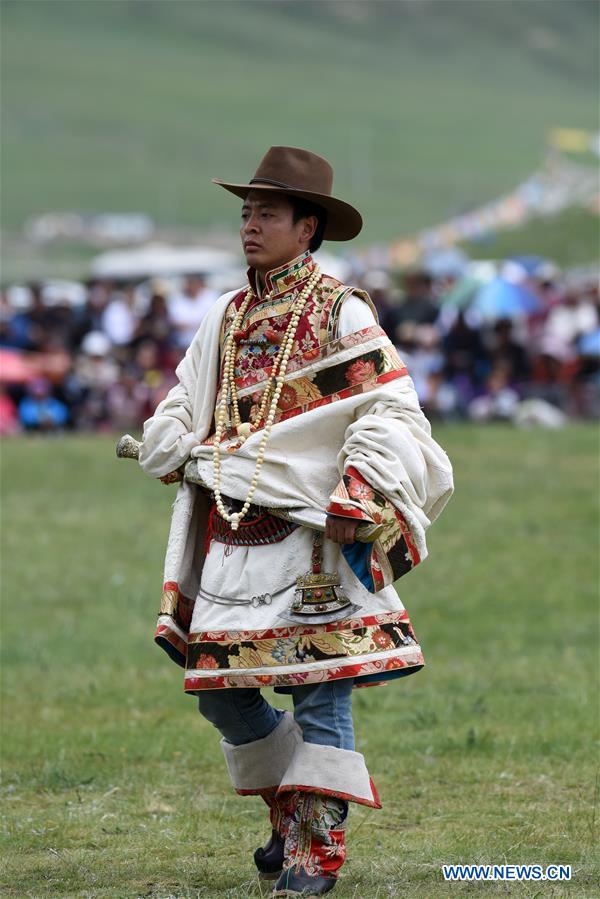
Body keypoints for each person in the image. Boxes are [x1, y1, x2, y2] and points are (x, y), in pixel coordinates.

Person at [137, 147, 454, 896]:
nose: (250, 225)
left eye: (267, 214)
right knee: (218, 685)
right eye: (246, 212)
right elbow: (187, 398)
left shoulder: (341, 312)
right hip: (234, 532)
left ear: (307, 228)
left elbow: (389, 409)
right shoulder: (227, 313)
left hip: (315, 533)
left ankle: (317, 846)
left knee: (318, 685)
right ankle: (289, 804)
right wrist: (174, 438)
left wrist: (360, 488)